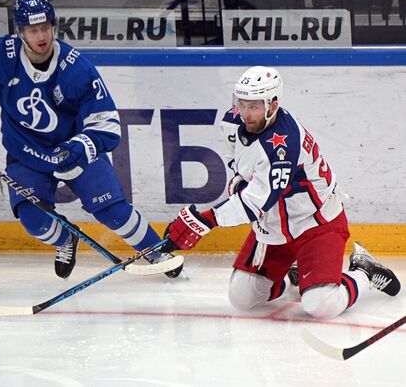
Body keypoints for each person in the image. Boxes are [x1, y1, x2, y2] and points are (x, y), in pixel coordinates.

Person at [0, 0, 182, 279]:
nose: (41, 36)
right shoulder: (1, 55)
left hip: (73, 151)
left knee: (113, 211)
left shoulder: (76, 68)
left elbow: (107, 123)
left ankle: (156, 251)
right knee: (34, 220)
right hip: (26, 154)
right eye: (33, 30)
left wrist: (80, 147)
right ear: (20, 31)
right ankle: (66, 240)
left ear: (54, 26)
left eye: (46, 28)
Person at [161, 66, 401, 319]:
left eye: (253, 106)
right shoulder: (232, 123)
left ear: (273, 104)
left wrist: (203, 221)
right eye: (242, 104)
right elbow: (240, 169)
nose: (245, 113)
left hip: (316, 224)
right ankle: (294, 276)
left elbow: (255, 204)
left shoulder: (283, 146)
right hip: (275, 225)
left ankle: (363, 271)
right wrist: (237, 185)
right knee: (242, 297)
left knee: (320, 305)